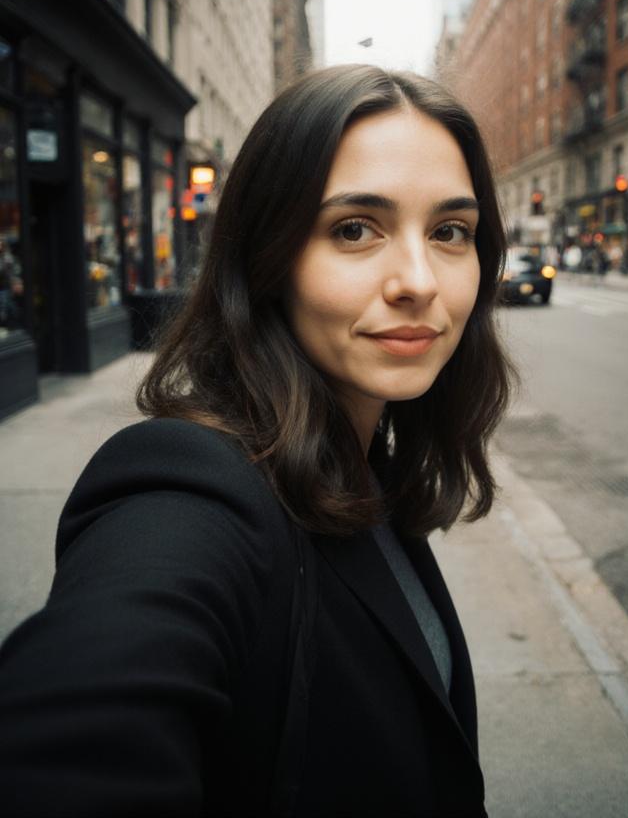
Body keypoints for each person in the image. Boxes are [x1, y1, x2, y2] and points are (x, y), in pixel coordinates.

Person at [0, 65, 513, 818]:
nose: (418, 280)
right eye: (353, 229)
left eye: (449, 232)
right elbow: (81, 730)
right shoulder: (191, 486)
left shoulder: (367, 467)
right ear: (269, 259)